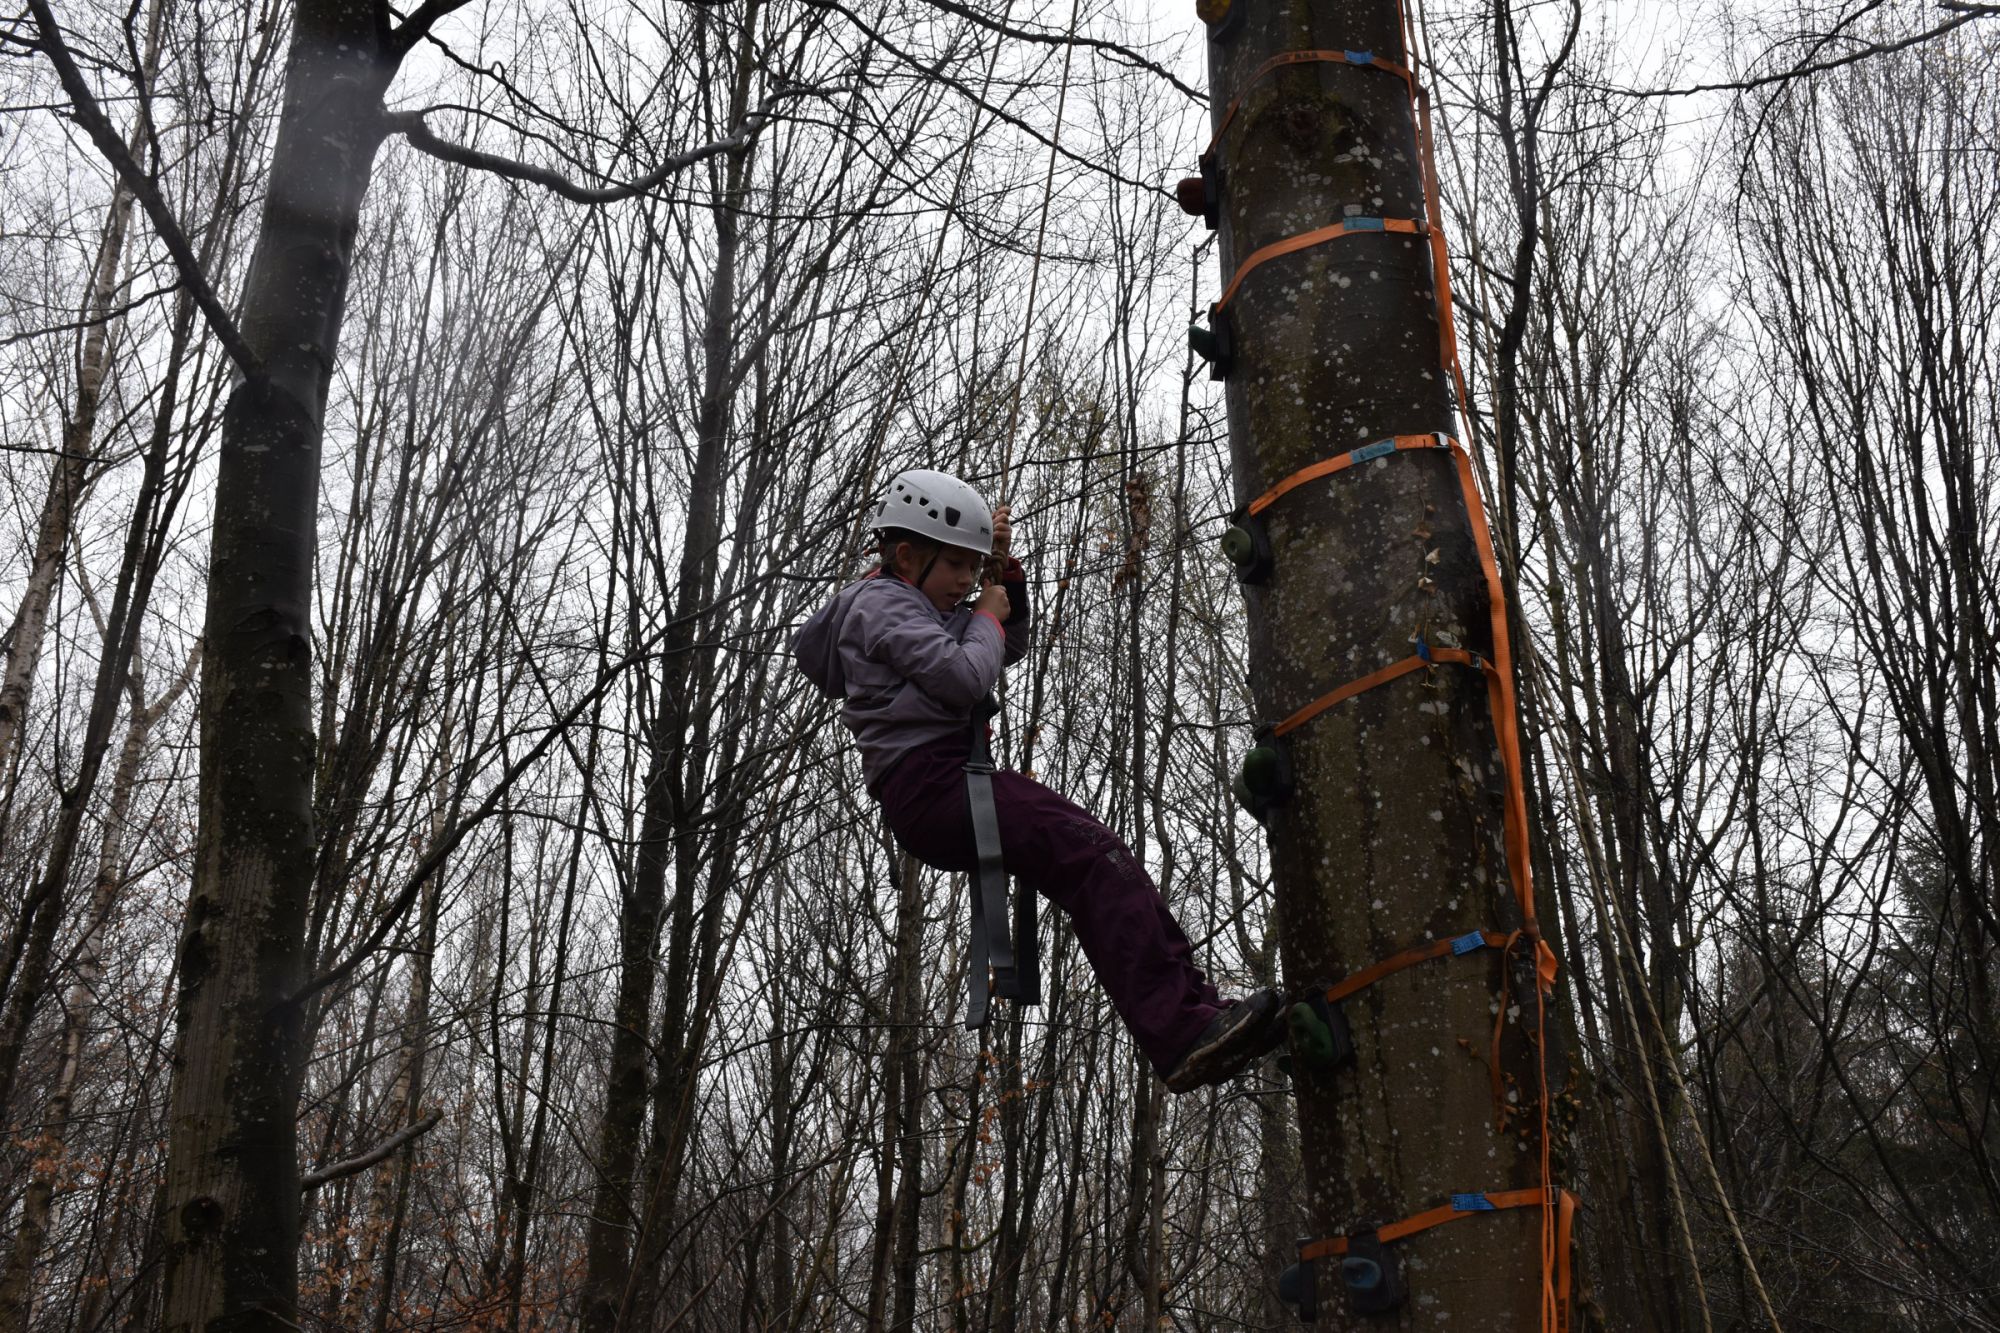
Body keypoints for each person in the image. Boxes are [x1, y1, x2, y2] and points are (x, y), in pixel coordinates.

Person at [792, 468, 1280, 1091]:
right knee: (1094, 857)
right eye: (956, 565)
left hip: (946, 784)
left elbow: (1005, 645)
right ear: (907, 556)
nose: (965, 580)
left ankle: (1196, 1016)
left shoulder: (916, 604)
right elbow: (966, 677)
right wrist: (985, 616)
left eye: (972, 567)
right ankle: (1183, 1028)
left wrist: (1004, 579)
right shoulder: (883, 604)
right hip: (934, 785)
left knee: (1099, 857)